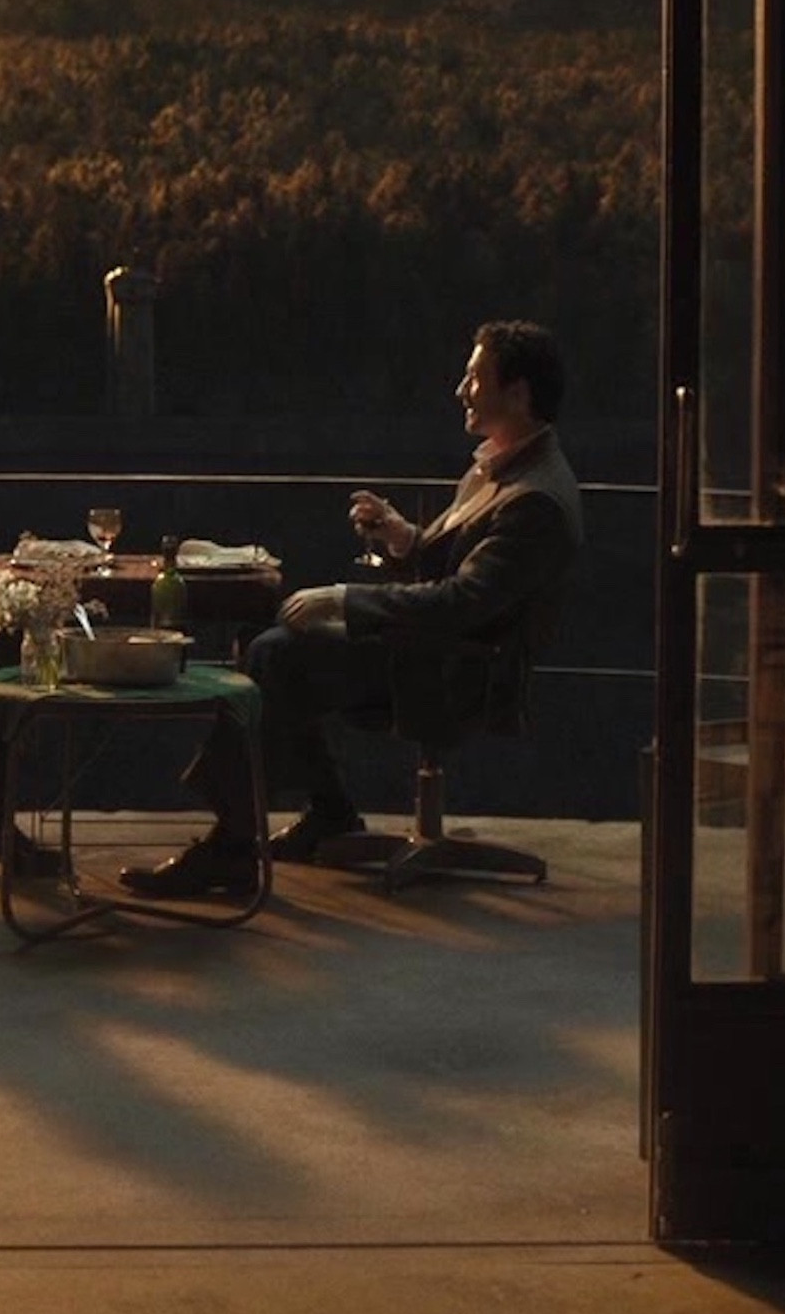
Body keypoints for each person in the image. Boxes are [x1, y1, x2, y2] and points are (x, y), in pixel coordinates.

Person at [119, 320, 585, 900]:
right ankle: (327, 812)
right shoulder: (508, 467)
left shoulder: (535, 500)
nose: (460, 390)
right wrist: (403, 538)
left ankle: (236, 844)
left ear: (517, 393)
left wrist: (343, 598)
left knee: (278, 656)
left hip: (462, 672)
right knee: (272, 639)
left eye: (473, 378)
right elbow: (459, 571)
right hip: (436, 650)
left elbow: (462, 602)